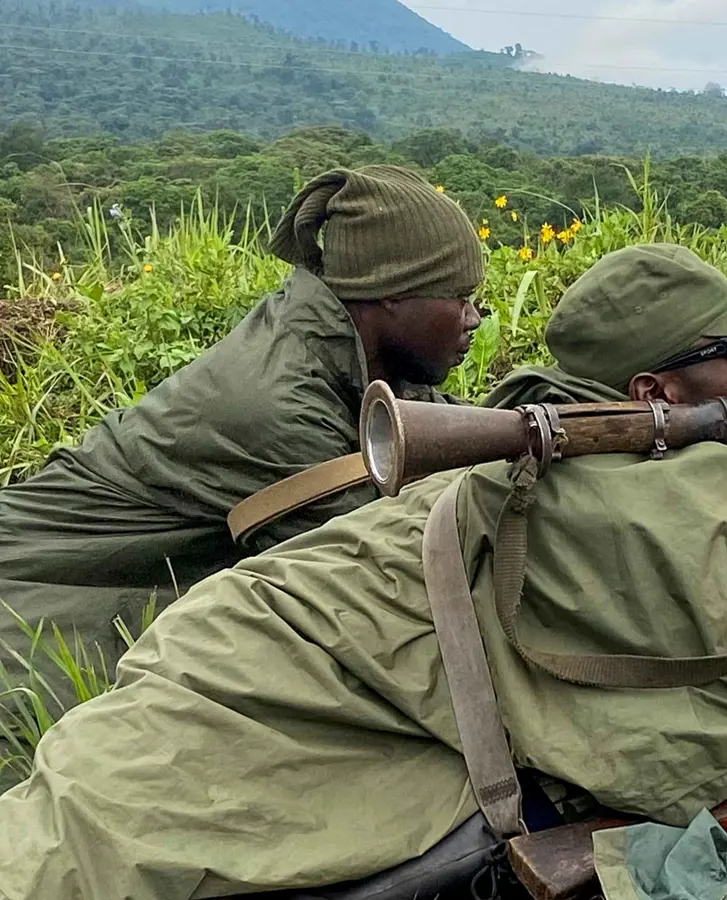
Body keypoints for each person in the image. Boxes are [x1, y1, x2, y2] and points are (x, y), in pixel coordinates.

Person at [0, 243, 727, 900]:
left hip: (229, 661)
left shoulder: (553, 437)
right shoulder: (636, 498)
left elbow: (722, 625)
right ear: (654, 392)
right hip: (247, 715)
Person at [0, 164, 485, 729]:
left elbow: (459, 442)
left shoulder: (360, 353)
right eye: (460, 297)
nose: (474, 318)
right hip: (39, 591)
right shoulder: (279, 403)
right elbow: (391, 577)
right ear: (393, 295)